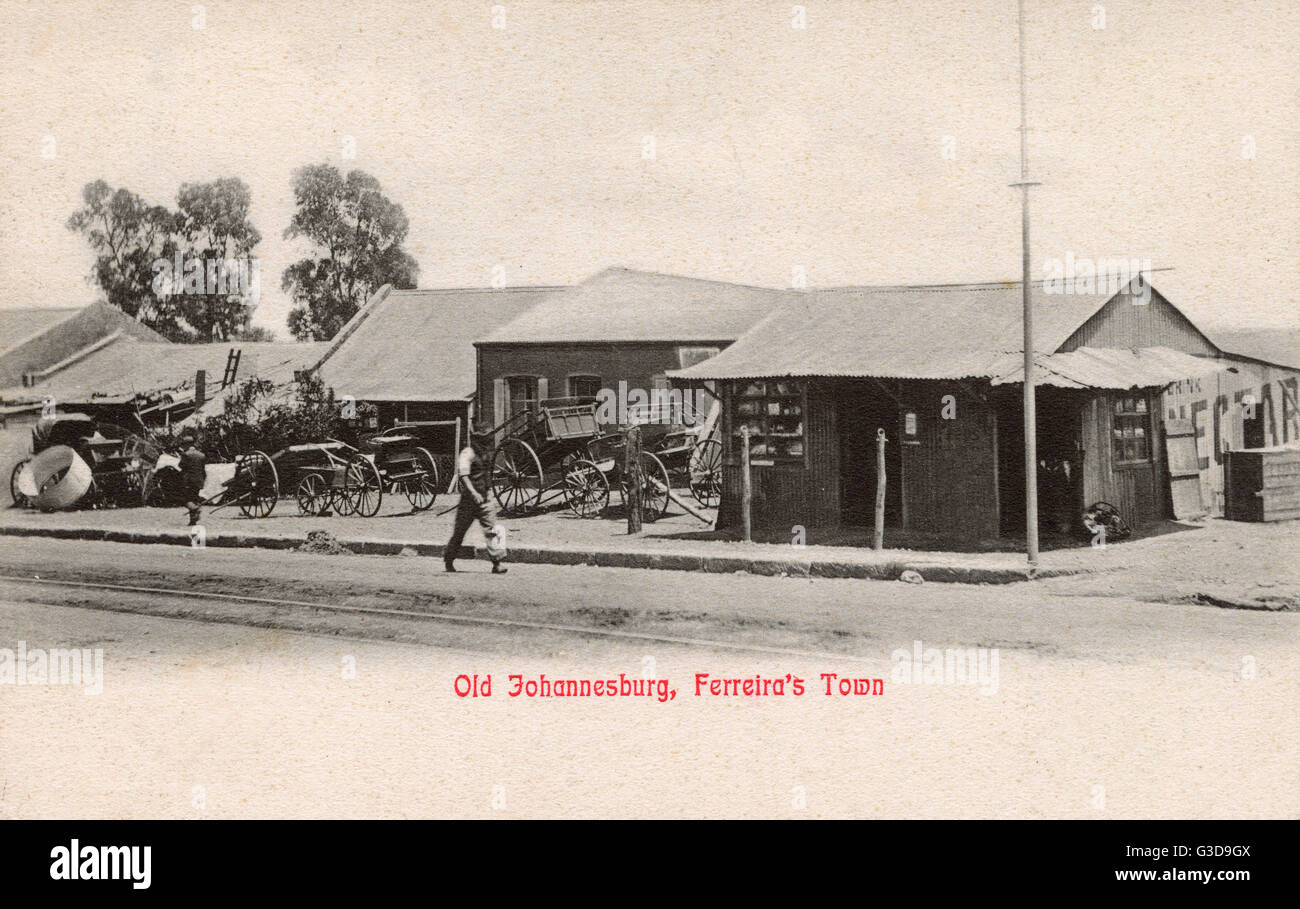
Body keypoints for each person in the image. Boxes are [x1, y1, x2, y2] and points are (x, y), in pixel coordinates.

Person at [445, 429, 507, 574]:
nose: (487, 442)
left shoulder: (485, 454)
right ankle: (449, 559)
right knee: (459, 532)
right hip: (469, 501)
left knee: (492, 530)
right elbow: (464, 476)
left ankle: (497, 564)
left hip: (485, 499)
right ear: (477, 440)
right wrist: (473, 493)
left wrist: (488, 491)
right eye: (484, 439)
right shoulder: (467, 453)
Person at [178, 430, 207, 527]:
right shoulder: (201, 455)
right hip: (199, 480)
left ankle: (195, 509)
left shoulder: (185, 454)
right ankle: (193, 521)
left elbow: (181, 466)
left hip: (189, 480)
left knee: (185, 500)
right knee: (194, 498)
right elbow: (203, 470)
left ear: (186, 444)